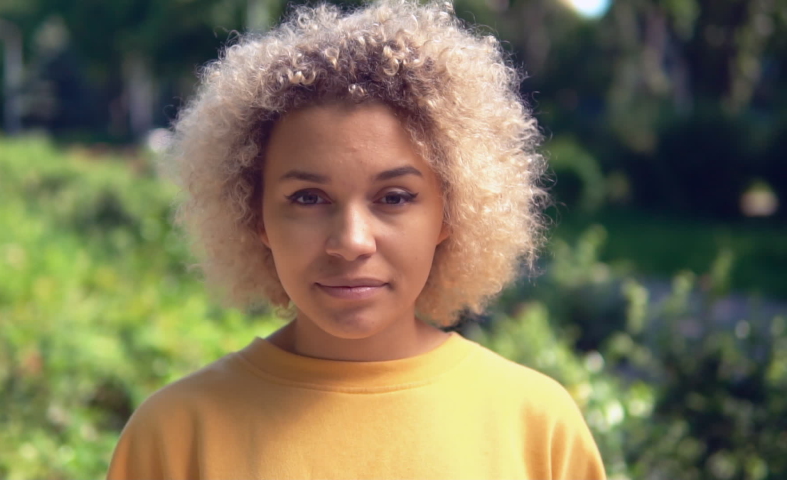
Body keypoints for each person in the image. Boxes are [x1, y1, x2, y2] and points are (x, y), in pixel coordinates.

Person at [106, 1, 606, 478]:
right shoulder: (174, 434)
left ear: (450, 212)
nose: (350, 242)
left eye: (393, 197)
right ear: (255, 215)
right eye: (307, 198)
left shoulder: (537, 426)